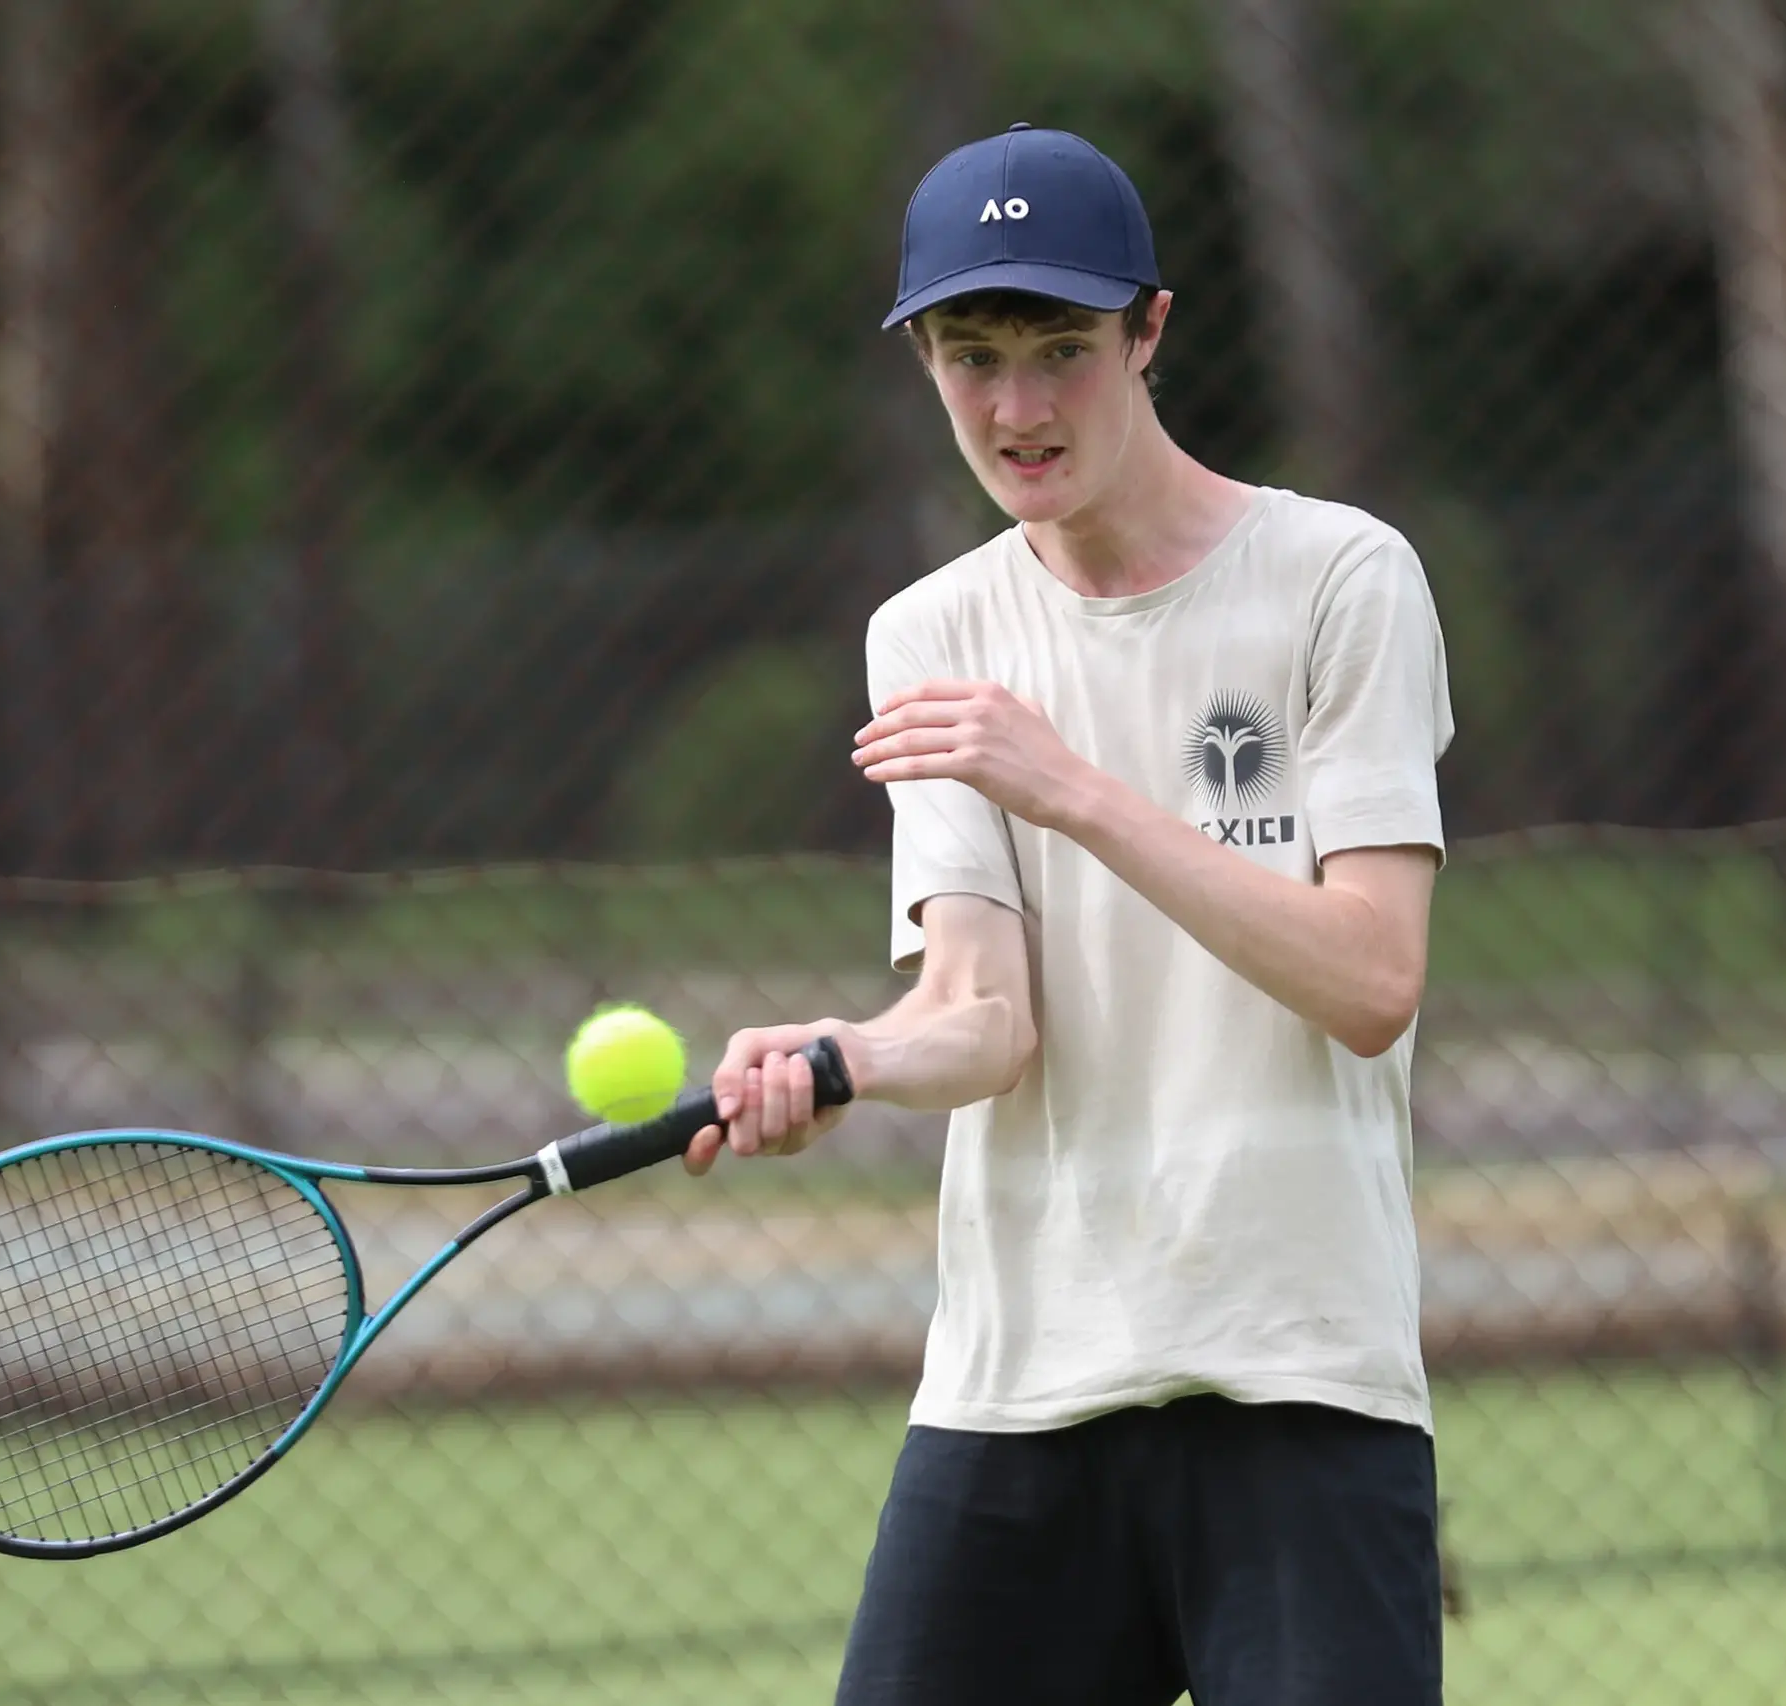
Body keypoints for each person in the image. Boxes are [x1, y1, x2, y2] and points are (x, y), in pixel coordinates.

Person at [689, 124, 1455, 1704]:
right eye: (972, 357)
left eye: (1061, 352)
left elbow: (1372, 977)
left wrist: (1079, 790)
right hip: (1019, 1387)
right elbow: (985, 1017)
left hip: (1299, 1374)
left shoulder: (1339, 579)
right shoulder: (931, 633)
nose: (1019, 408)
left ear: (1149, 333)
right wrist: (843, 1056)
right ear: (921, 358)